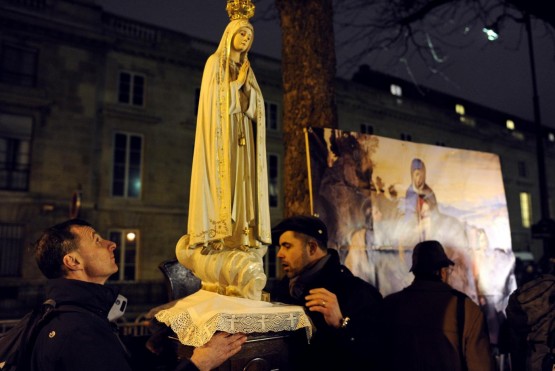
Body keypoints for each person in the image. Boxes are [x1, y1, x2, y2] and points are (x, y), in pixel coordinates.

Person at [30, 219, 246, 371]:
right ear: (73, 262)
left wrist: (148, 344)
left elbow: (110, 358)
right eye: (97, 241)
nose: (111, 244)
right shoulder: (79, 330)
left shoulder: (76, 315)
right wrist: (199, 364)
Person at [176, 0, 270, 300]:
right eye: (242, 34)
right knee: (226, 185)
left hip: (243, 139)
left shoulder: (248, 70)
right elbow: (214, 107)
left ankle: (242, 236)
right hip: (223, 141)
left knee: (243, 188)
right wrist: (236, 88)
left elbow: (257, 109)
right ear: (230, 34)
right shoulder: (215, 64)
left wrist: (248, 95)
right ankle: (220, 236)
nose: (246, 40)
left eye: (250, 37)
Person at [270, 215, 384, 370]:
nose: (279, 254)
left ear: (311, 247)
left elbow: (374, 355)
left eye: (287, 246)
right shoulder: (283, 289)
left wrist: (340, 323)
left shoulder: (356, 291)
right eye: (280, 247)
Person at [382, 240, 495, 371]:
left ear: (414, 271)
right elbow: (481, 365)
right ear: (442, 271)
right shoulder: (466, 308)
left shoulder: (390, 305)